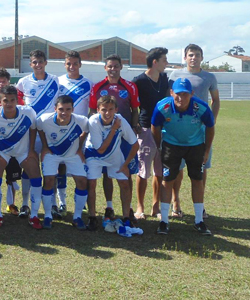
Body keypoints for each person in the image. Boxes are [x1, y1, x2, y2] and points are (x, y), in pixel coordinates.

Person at [152, 78, 215, 235]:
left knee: (197, 180)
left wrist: (206, 150)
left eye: (185, 94)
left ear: (192, 94)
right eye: (178, 94)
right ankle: (164, 221)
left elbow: (210, 127)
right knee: (167, 180)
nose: (181, 98)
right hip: (171, 145)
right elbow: (155, 126)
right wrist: (159, 147)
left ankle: (199, 220)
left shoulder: (200, 107)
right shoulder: (162, 107)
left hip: (195, 145)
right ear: (171, 92)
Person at [168, 44, 220, 219]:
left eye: (197, 55)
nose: (193, 58)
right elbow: (169, 99)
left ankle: (200, 205)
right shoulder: (175, 75)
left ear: (202, 58)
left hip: (200, 131)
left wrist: (211, 121)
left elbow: (216, 100)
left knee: (201, 167)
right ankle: (176, 203)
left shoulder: (209, 77)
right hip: (178, 129)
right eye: (190, 55)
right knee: (177, 168)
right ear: (185, 57)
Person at [88, 54, 140, 222]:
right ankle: (109, 206)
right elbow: (92, 111)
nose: (113, 69)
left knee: (126, 172)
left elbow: (135, 110)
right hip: (103, 134)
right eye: (110, 66)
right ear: (105, 68)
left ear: (120, 67)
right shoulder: (97, 87)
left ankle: (129, 208)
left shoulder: (130, 86)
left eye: (116, 66)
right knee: (106, 174)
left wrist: (132, 129)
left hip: (123, 134)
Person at [0, 85, 42, 229]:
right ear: (0, 101)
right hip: (3, 151)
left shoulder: (28, 112)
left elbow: (33, 129)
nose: (9, 104)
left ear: (18, 100)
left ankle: (34, 215)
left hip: (23, 151)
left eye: (12, 100)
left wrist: (31, 151)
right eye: (5, 100)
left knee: (36, 177)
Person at [16, 49, 61, 219]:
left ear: (45, 62)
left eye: (40, 61)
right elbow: (18, 102)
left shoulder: (55, 81)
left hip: (50, 131)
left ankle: (53, 204)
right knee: (29, 166)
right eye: (34, 62)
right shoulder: (23, 82)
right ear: (30, 64)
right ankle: (25, 204)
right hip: (30, 132)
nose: (38, 65)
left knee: (51, 167)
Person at [84, 96, 139, 232]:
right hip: (94, 154)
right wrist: (114, 129)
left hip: (114, 154)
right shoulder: (93, 121)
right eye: (104, 110)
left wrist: (125, 165)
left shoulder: (121, 120)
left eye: (111, 110)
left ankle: (126, 217)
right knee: (91, 183)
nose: (107, 113)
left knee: (125, 183)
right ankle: (92, 217)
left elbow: (135, 145)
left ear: (116, 110)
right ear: (97, 110)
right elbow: (101, 149)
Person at [37, 95, 90, 230]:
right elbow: (40, 129)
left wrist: (79, 147)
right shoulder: (44, 119)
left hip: (72, 154)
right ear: (55, 109)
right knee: (48, 180)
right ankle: (48, 215)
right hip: (52, 154)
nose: (64, 113)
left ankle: (77, 217)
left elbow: (86, 131)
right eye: (61, 109)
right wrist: (44, 146)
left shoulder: (81, 120)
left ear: (73, 109)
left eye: (68, 109)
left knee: (82, 181)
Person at [132, 47, 170, 220]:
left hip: (165, 130)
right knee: (143, 170)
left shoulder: (164, 78)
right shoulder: (138, 81)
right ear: (155, 62)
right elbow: (133, 105)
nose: (167, 63)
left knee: (160, 171)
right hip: (146, 129)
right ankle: (140, 207)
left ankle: (156, 206)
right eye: (164, 60)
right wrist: (136, 124)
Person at [56, 50, 92, 216]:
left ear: (80, 64)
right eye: (68, 63)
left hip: (81, 132)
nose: (72, 66)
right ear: (65, 64)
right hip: (62, 131)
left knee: (82, 167)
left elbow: (91, 109)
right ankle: (62, 201)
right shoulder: (58, 82)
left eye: (75, 63)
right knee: (61, 167)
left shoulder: (88, 83)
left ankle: (81, 202)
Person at [0, 68, 25, 216]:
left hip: (12, 144)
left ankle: (11, 204)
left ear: (9, 82)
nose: (1, 83)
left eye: (4, 81)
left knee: (12, 177)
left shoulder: (17, 100)